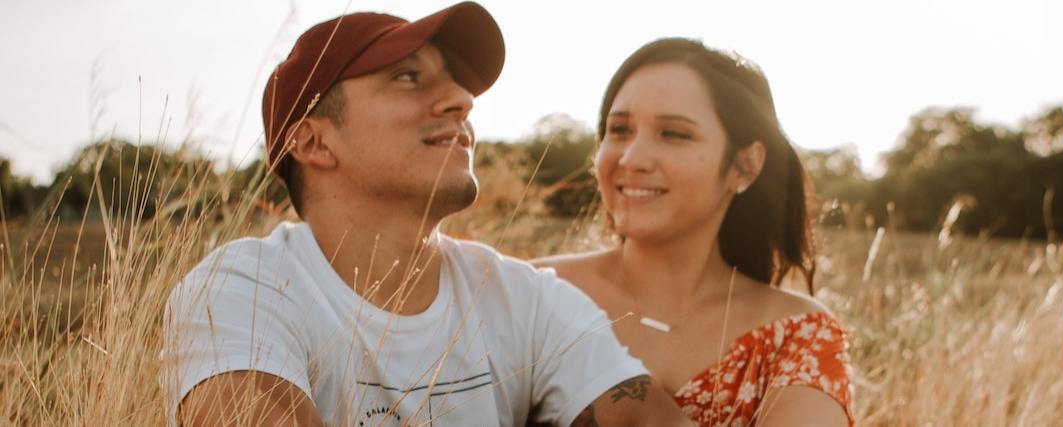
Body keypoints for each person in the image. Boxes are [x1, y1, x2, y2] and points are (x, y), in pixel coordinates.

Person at [161, 3, 692, 426]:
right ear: (312, 141)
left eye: (456, 82)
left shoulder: (524, 298)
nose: (462, 100)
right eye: (408, 77)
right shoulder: (242, 292)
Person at [534, 38, 857, 426]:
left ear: (745, 167)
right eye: (619, 130)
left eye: (674, 134)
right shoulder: (530, 292)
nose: (632, 158)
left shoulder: (796, 337)